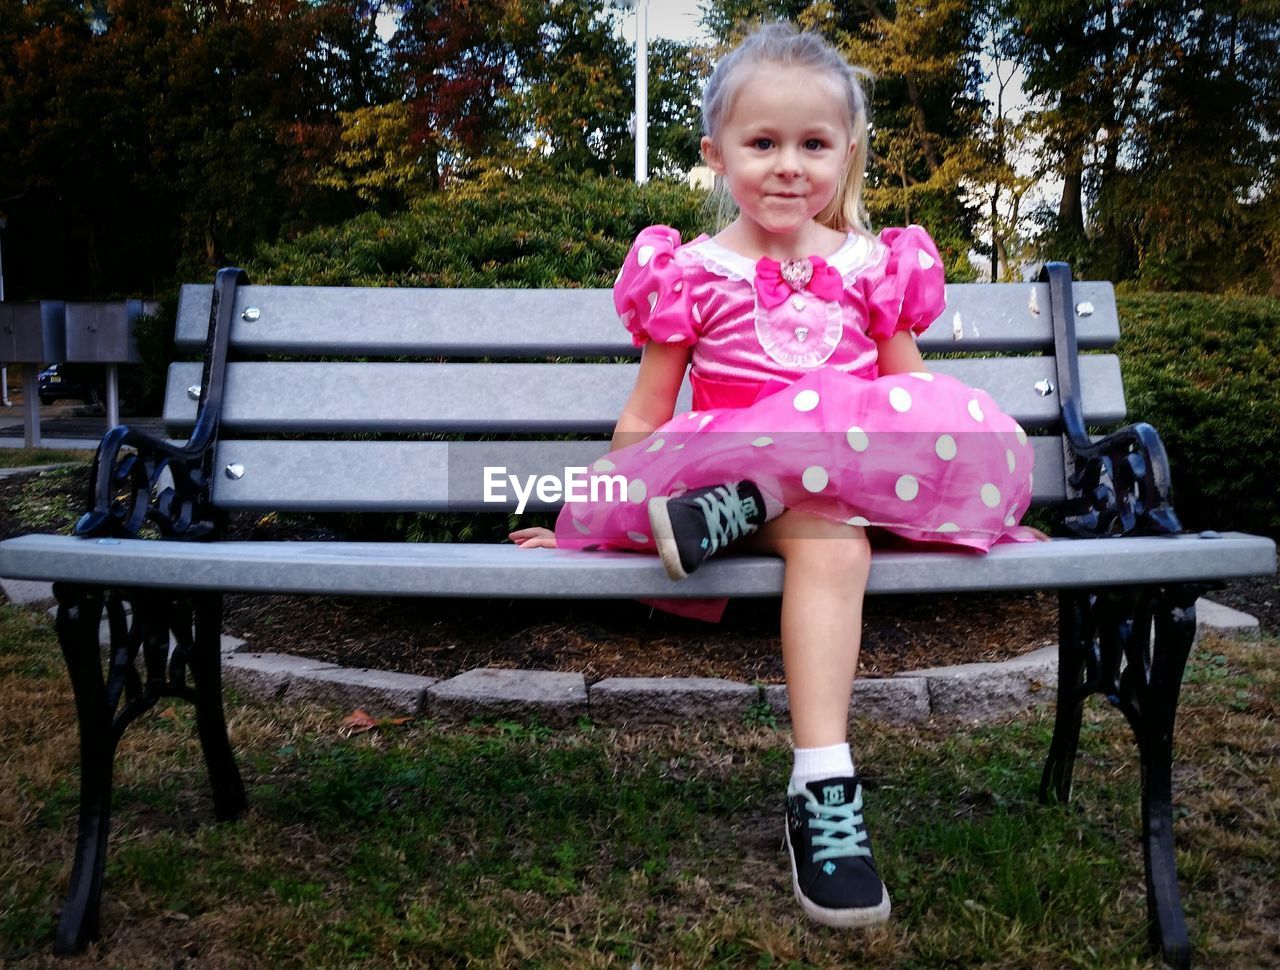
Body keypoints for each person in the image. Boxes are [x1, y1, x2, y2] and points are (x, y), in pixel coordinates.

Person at [509, 21, 1040, 929]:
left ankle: (814, 768)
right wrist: (590, 507)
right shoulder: (690, 275)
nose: (788, 165)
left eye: (812, 144)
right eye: (763, 143)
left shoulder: (875, 268)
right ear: (717, 155)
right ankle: (821, 779)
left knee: (848, 494)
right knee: (813, 526)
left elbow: (912, 403)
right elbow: (647, 419)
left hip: (838, 493)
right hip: (726, 473)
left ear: (846, 153)